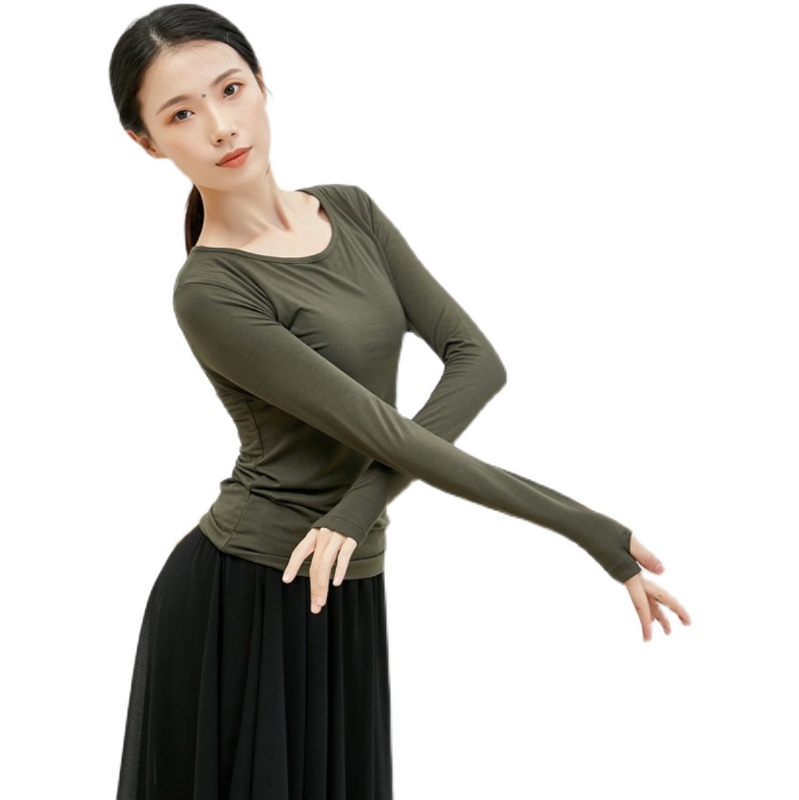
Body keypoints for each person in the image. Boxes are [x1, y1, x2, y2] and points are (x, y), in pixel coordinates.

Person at [110, 4, 691, 798]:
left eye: (231, 89)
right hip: (245, 595)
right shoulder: (210, 290)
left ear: (262, 84)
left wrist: (357, 510)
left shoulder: (349, 210)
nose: (220, 125)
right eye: (181, 113)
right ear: (147, 141)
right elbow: (385, 431)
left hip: (347, 576)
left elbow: (476, 362)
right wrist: (591, 530)